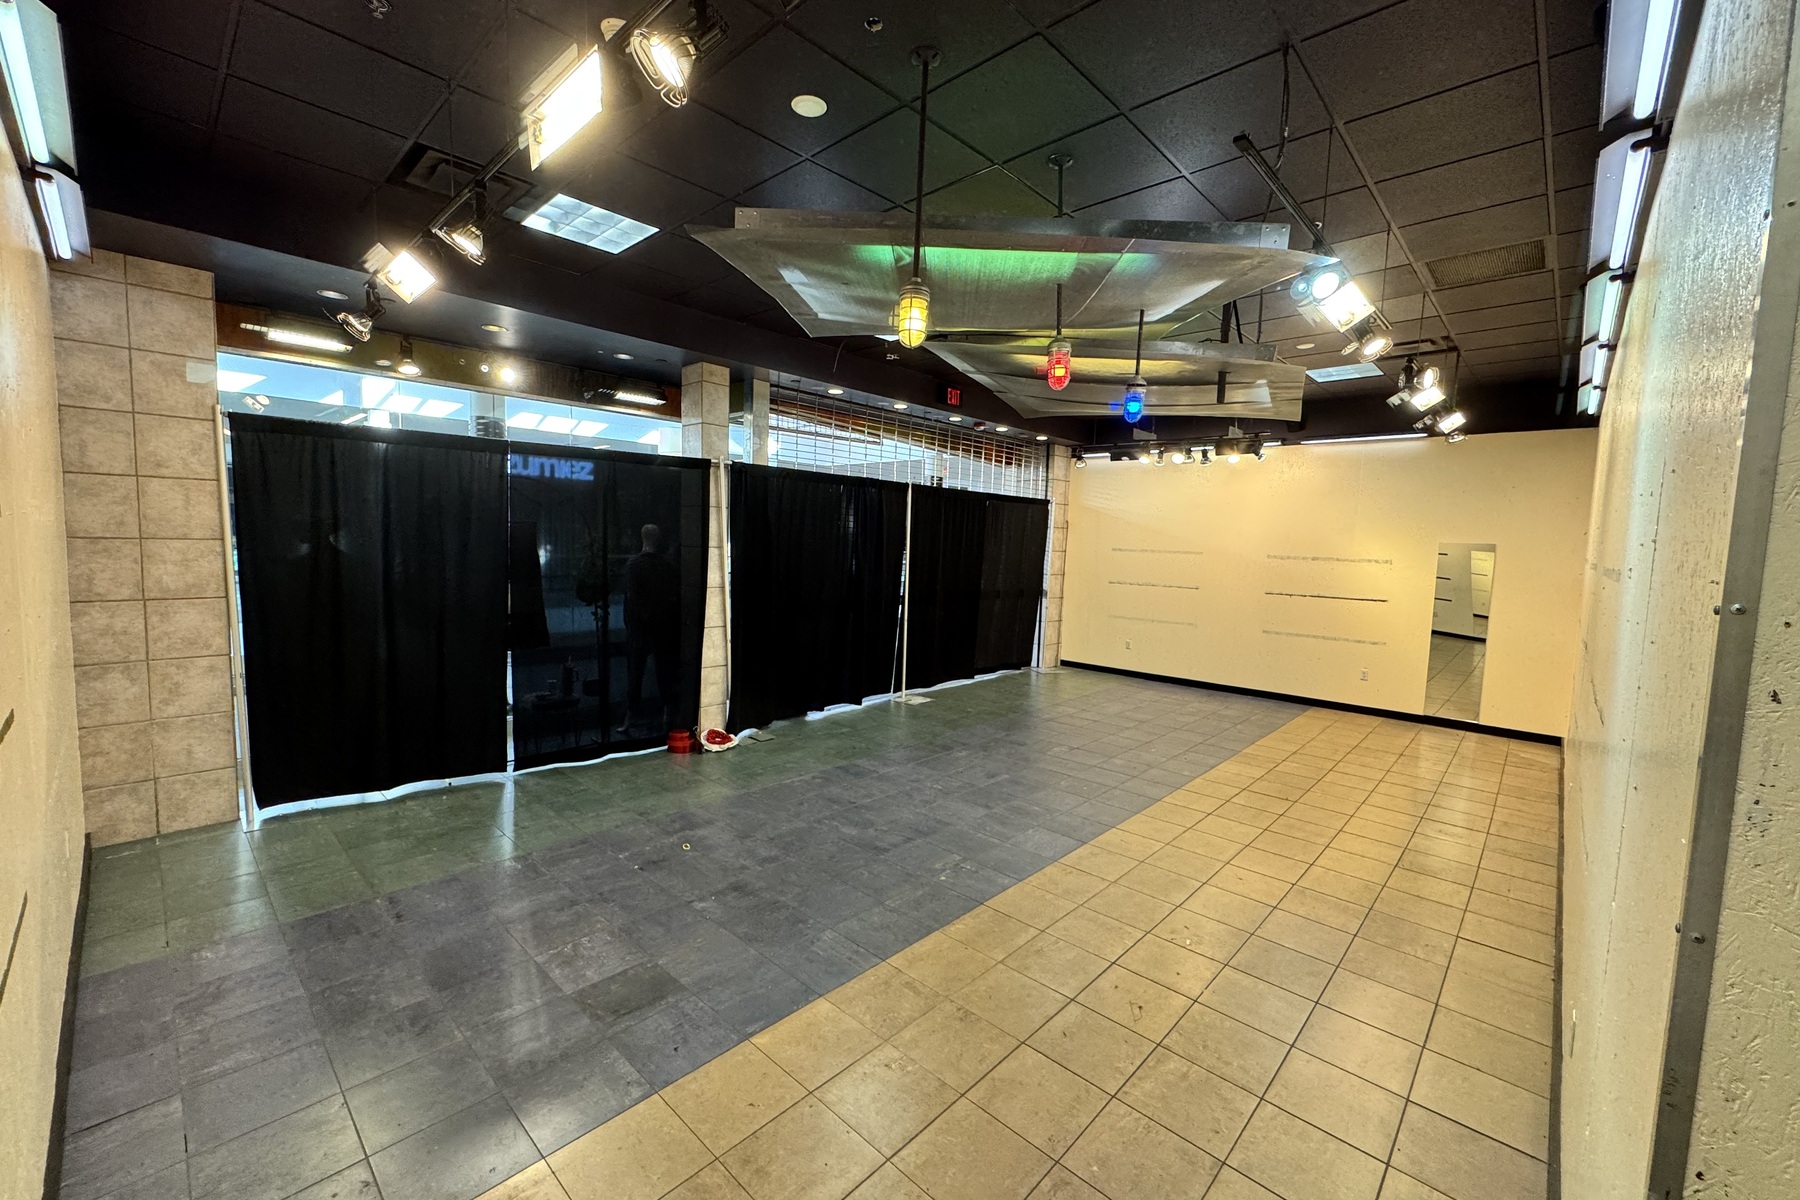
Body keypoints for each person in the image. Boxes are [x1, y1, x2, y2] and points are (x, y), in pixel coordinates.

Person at [619, 523, 682, 734]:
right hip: (663, 627)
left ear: (642, 538)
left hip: (640, 627)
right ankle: (667, 714)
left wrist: (631, 623)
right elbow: (673, 597)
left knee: (635, 672)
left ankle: (630, 717)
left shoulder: (634, 565)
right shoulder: (667, 566)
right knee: (664, 672)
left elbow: (631, 598)